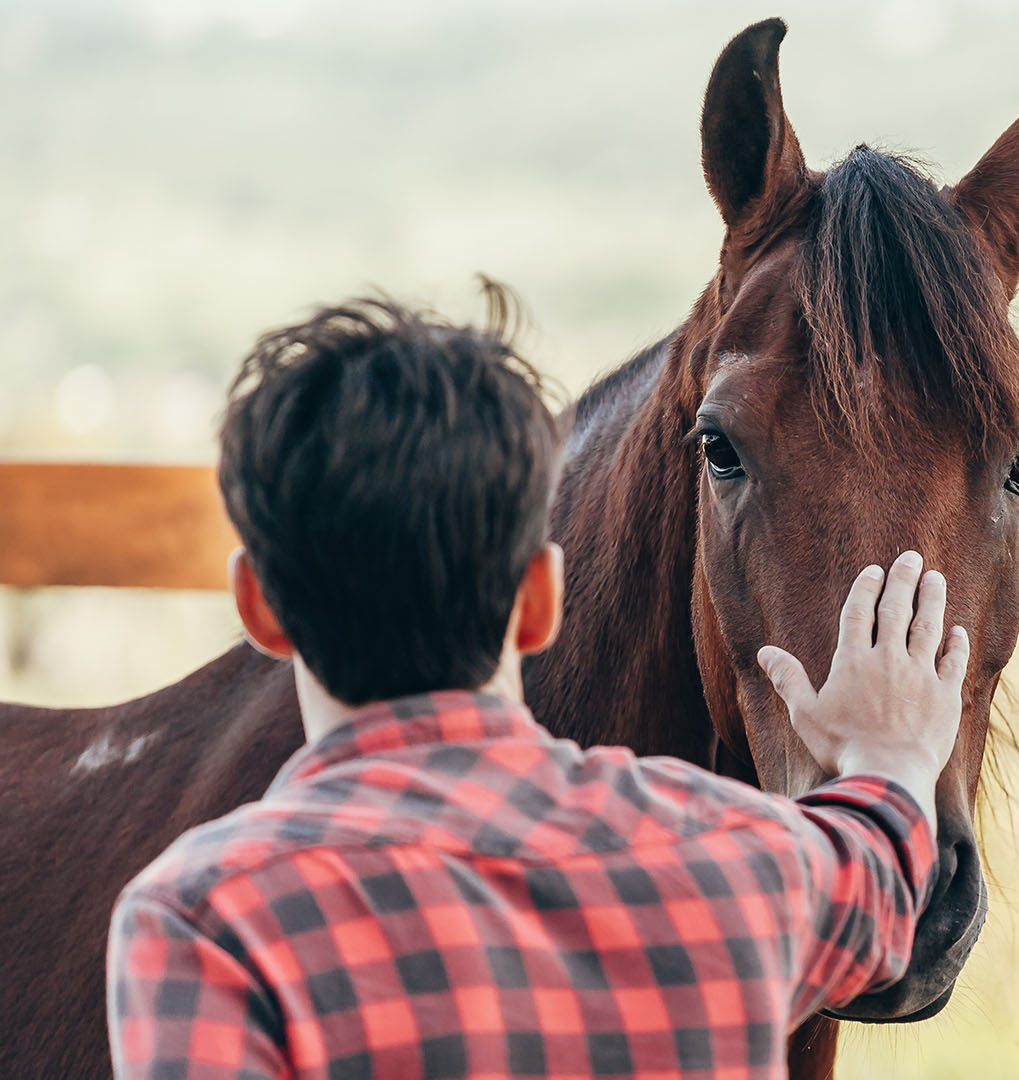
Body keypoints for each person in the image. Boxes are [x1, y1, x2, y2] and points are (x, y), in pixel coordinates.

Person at [105, 290, 968, 1078]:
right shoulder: (742, 863)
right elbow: (881, 869)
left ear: (260, 607)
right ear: (539, 598)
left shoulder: (203, 923)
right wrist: (888, 754)